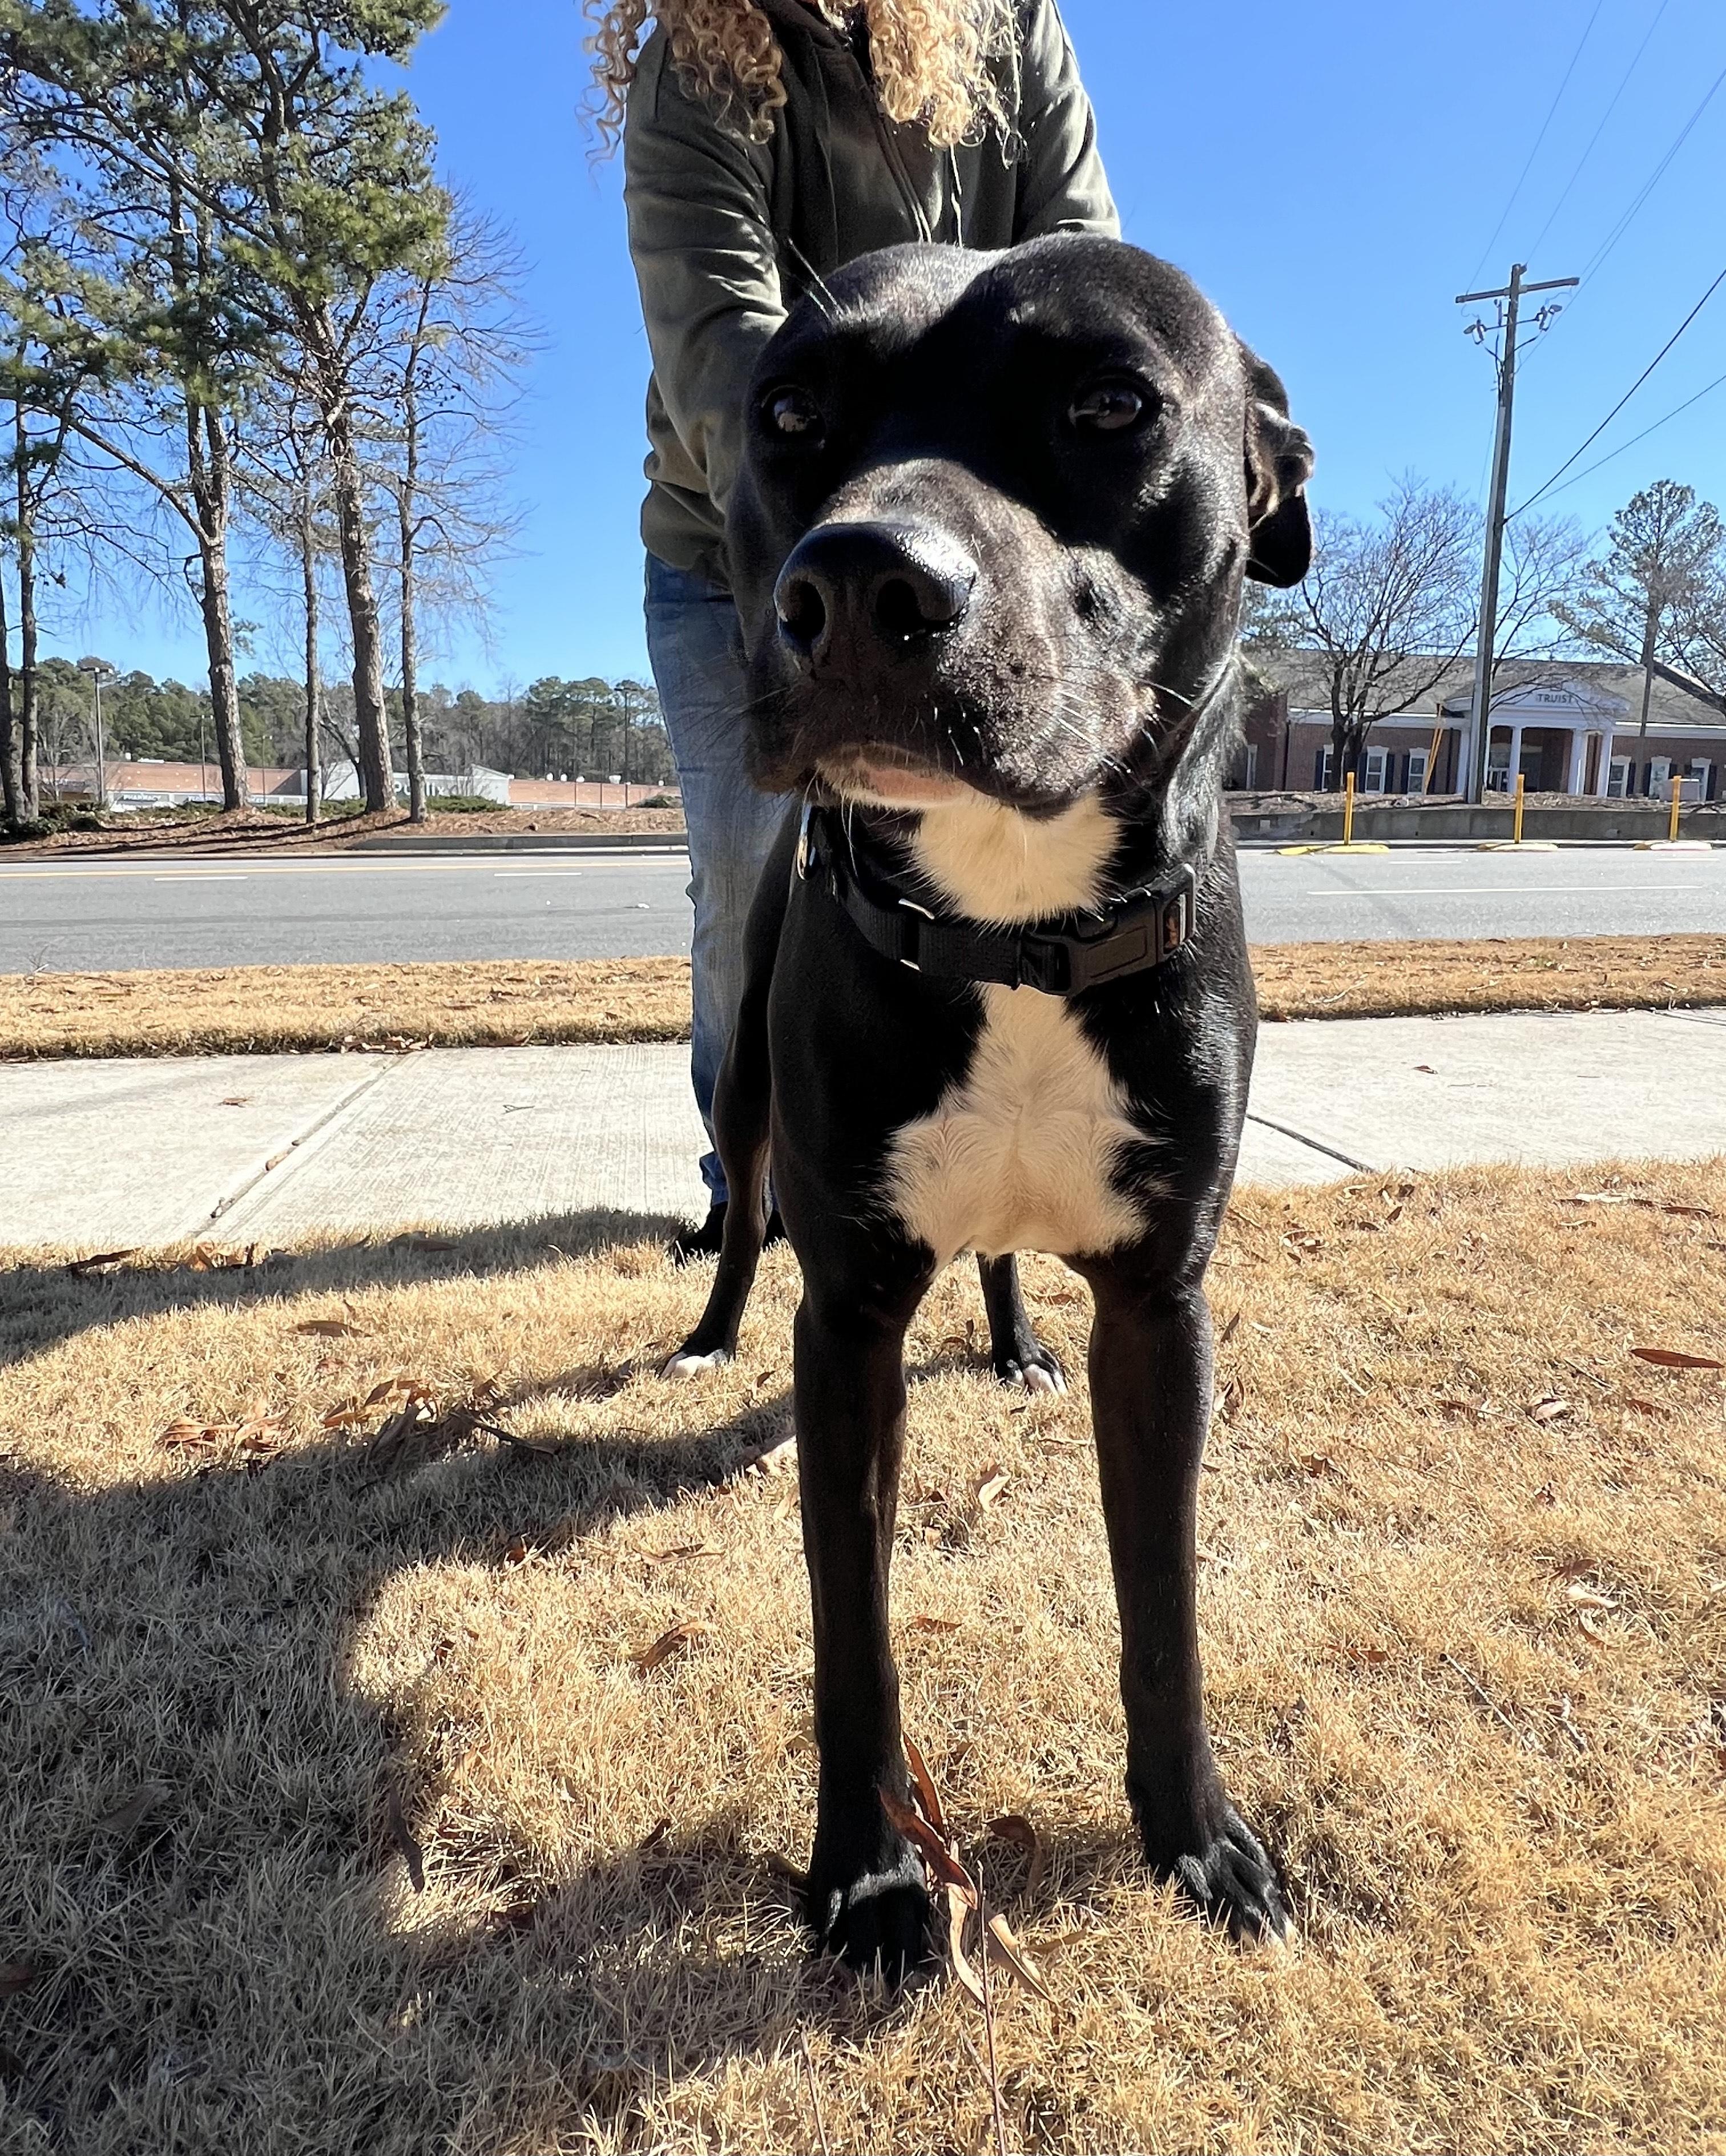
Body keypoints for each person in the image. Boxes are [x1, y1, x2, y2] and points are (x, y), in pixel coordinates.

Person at [592, 0, 1118, 1258]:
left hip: (983, 567)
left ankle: (979, 1176)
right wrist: (842, 595)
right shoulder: (695, 70)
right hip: (752, 560)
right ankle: (752, 1183)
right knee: (744, 878)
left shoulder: (1011, 32)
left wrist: (991, 560)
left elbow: (1087, 278)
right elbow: (724, 359)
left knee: (997, 877)